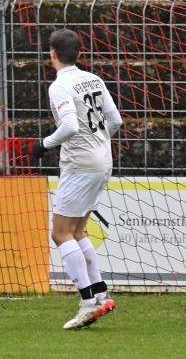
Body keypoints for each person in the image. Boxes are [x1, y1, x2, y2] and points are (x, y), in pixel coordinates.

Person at [31, 28, 122, 329]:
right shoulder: (93, 79)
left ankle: (86, 304)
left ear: (52, 54)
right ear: (78, 54)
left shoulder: (60, 86)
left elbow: (69, 126)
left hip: (81, 165)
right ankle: (100, 295)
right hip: (102, 161)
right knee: (78, 230)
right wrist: (97, 142)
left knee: (60, 233)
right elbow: (116, 120)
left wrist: (44, 144)